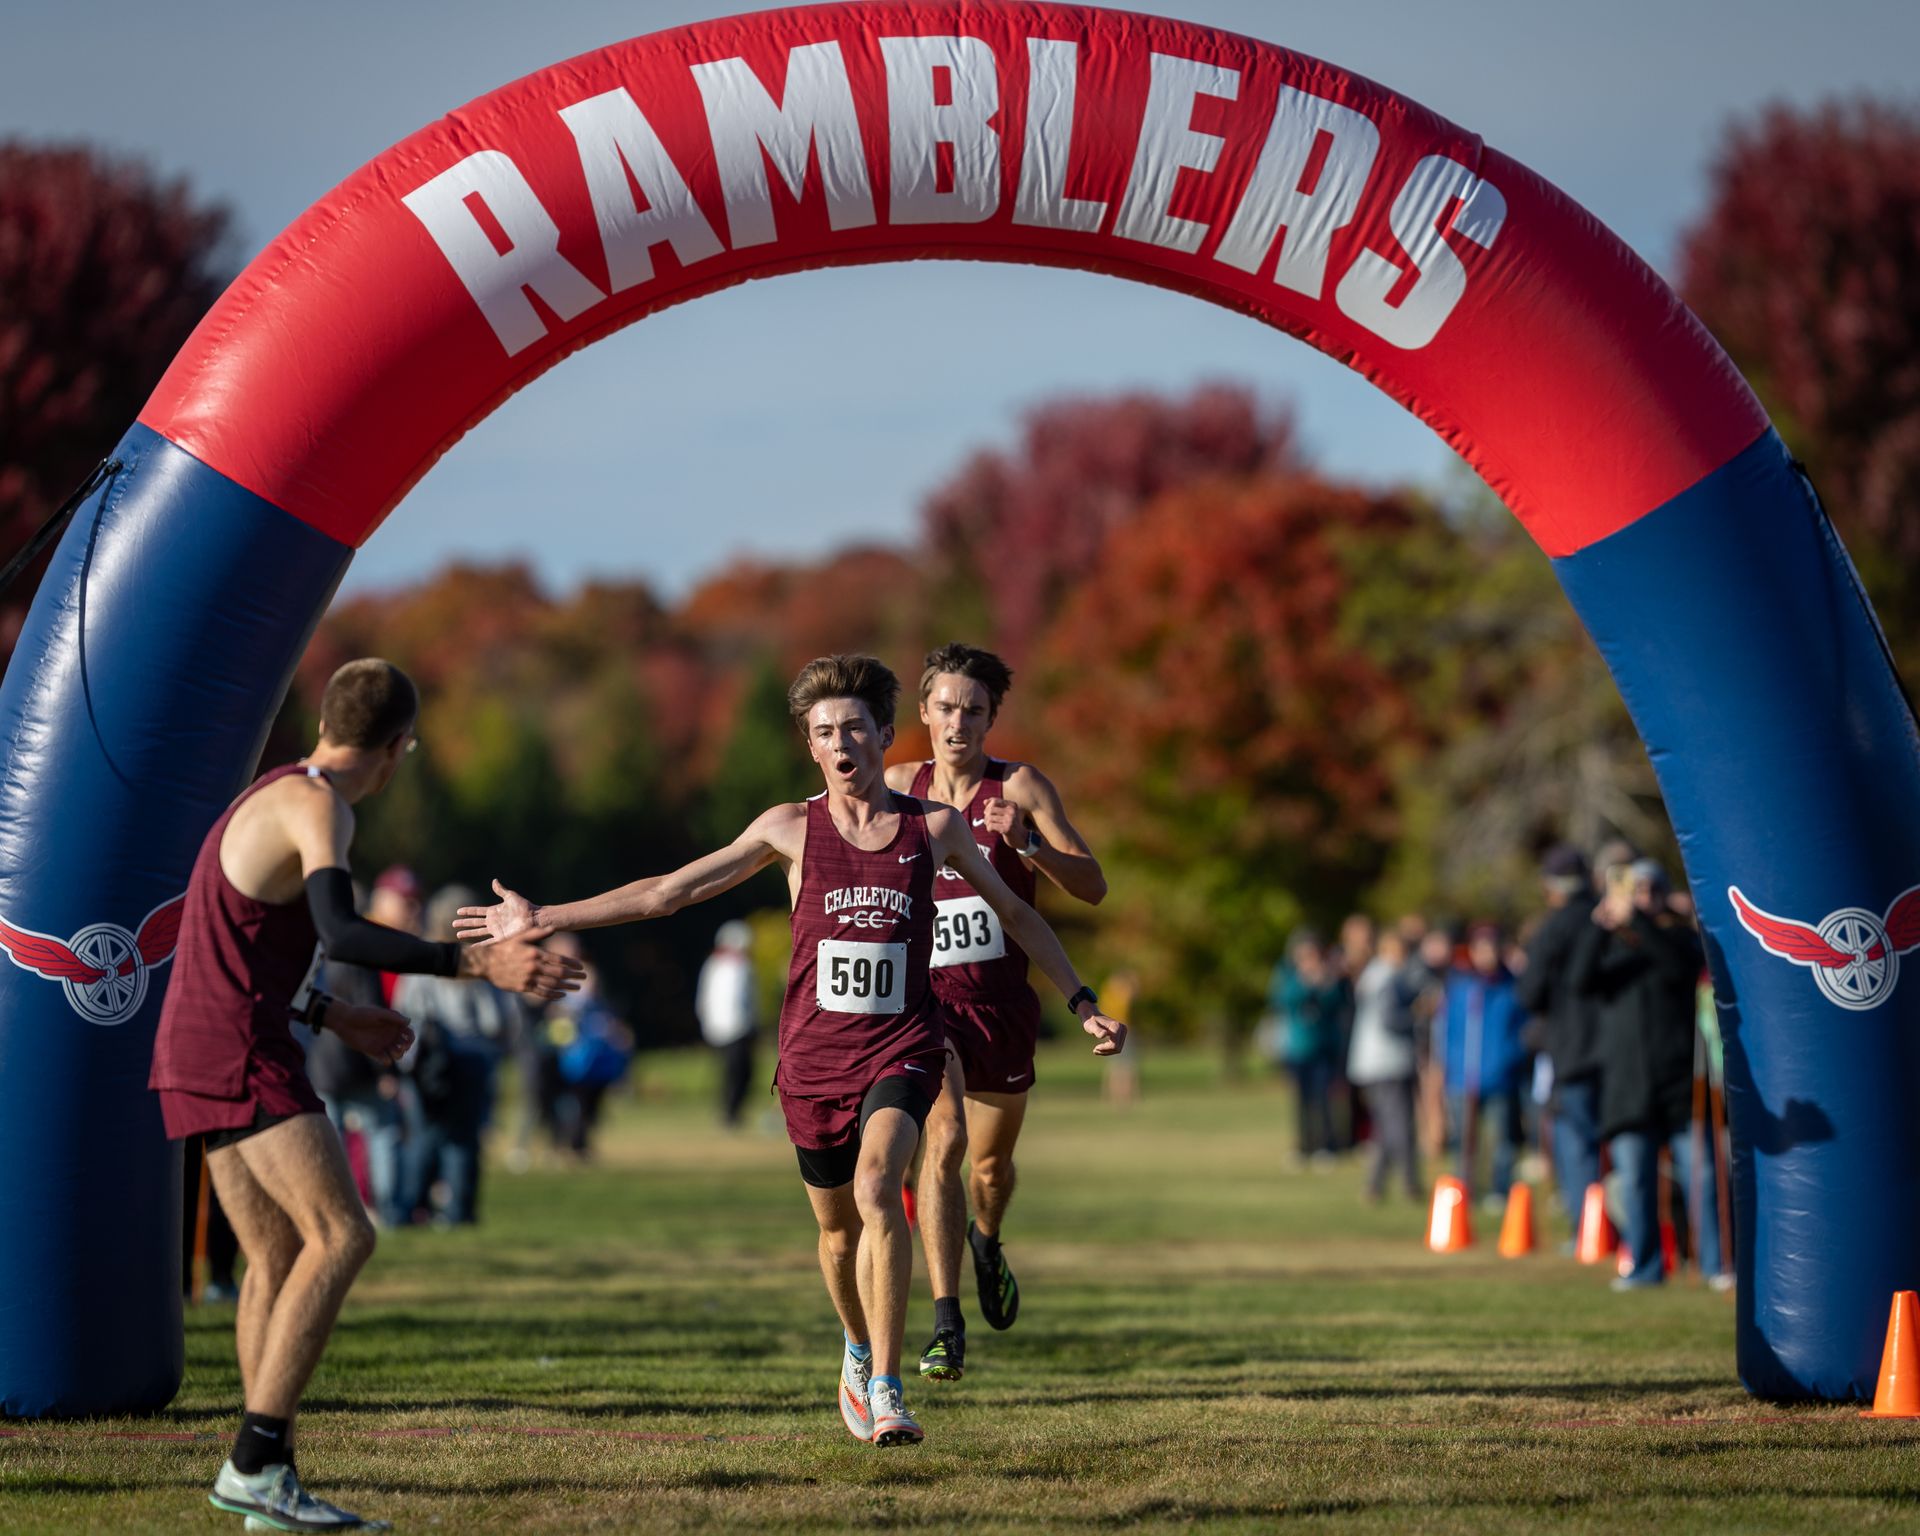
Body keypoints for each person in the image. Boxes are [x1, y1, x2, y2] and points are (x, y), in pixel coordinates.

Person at [456, 654, 1126, 1449]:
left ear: (884, 734)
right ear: (810, 746)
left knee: (881, 1187)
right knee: (838, 1234)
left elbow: (1016, 913)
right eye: (825, 732)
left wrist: (1084, 1001)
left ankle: (888, 1389)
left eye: (855, 729)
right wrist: (542, 916)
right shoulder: (788, 828)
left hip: (903, 1047)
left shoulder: (934, 829)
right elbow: (670, 892)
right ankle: (855, 1348)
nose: (842, 745)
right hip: (814, 1063)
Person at [147, 658, 582, 1532]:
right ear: (397, 748)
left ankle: (262, 1471)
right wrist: (477, 961)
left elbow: (235, 944)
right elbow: (341, 929)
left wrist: (332, 1012)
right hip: (240, 1048)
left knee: (275, 1256)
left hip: (197, 1041)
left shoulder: (269, 793)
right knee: (343, 1234)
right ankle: (256, 1463)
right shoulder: (320, 806)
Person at [883, 642, 1108, 1384]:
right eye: (946, 707)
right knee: (942, 1139)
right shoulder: (899, 788)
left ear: (990, 718)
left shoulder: (1021, 787)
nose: (959, 722)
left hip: (1002, 1007)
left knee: (989, 1167)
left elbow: (1093, 888)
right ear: (924, 712)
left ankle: (987, 1238)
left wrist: (1029, 842)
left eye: (974, 710)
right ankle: (946, 1325)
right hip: (926, 1006)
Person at [1570, 858, 1726, 1290]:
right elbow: (1579, 982)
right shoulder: (1612, 945)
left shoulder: (1678, 939)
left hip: (1678, 1082)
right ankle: (1644, 1266)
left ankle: (1715, 1264)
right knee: (1635, 1181)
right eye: (1634, 891)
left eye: (1651, 890)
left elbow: (1678, 968)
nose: (1643, 898)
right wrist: (1599, 926)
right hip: (1628, 1086)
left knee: (1703, 1176)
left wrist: (1638, 920)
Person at [394, 885, 521, 1225]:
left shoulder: (421, 956)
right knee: (464, 1138)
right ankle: (459, 1210)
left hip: (429, 1060)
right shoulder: (481, 959)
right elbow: (496, 1020)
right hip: (472, 1057)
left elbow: (406, 1008)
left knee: (424, 1134)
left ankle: (410, 1208)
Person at [1514, 845, 1606, 1230]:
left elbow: (1529, 994)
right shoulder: (1608, 920)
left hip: (1570, 1049)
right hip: (1619, 1049)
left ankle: (1588, 1229)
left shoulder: (1551, 929)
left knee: (1575, 1137)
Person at [1441, 923, 1528, 1207]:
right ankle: (1463, 1190)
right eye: (1480, 949)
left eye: (1490, 948)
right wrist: (1452, 1066)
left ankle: (1500, 1189)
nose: (1485, 955)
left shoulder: (1512, 987)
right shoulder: (1461, 987)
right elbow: (1448, 1031)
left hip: (1501, 1077)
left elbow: (1523, 1030)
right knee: (1464, 1141)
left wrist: (1510, 1058)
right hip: (1463, 1079)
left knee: (1502, 1139)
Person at [1347, 928, 1423, 1202]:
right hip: (1389, 1061)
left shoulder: (1372, 976)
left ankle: (1375, 1185)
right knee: (1399, 1124)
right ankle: (1409, 1183)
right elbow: (1390, 1020)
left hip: (1371, 1062)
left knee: (1383, 1125)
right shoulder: (1388, 977)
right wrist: (1417, 1016)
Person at [1271, 930, 1346, 1168]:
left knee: (1323, 1097)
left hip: (1323, 1048)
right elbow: (1282, 1001)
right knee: (1301, 1100)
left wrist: (1324, 983)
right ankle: (1304, 1146)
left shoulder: (1328, 976)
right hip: (1298, 1048)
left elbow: (1337, 1003)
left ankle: (1326, 1145)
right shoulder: (1289, 975)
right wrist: (1305, 984)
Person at [696, 919, 760, 1128]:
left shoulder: (741, 965)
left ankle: (734, 1111)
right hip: (725, 1028)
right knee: (732, 1072)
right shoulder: (717, 965)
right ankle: (729, 1112)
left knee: (743, 1072)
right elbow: (708, 997)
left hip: (740, 1027)